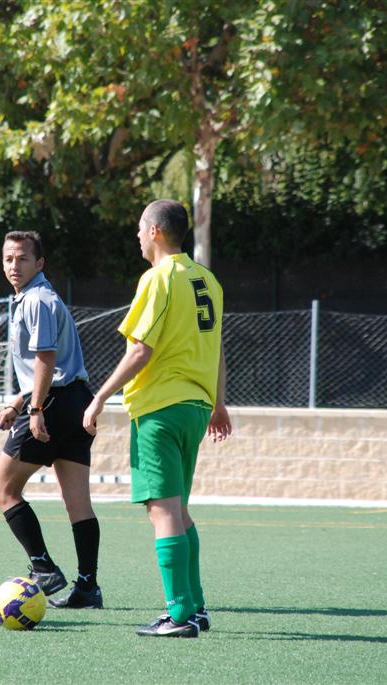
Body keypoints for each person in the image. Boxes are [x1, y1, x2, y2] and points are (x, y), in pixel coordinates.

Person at [83, 199, 232, 638]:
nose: (136, 236)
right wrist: (218, 404)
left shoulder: (158, 278)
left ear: (155, 232)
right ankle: (196, 608)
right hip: (196, 408)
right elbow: (217, 349)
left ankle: (180, 614)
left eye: (139, 228)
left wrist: (99, 398)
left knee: (162, 511)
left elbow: (140, 350)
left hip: (160, 409)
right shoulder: (208, 280)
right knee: (179, 510)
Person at [0, 230, 104, 609]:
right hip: (76, 401)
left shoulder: (36, 299)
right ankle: (88, 588)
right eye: (8, 258)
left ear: (39, 263)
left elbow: (46, 359)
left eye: (22, 258)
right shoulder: (39, 296)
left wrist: (35, 409)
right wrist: (18, 404)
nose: (14, 265)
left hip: (53, 404)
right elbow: (51, 368)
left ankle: (43, 567)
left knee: (4, 490)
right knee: (77, 503)